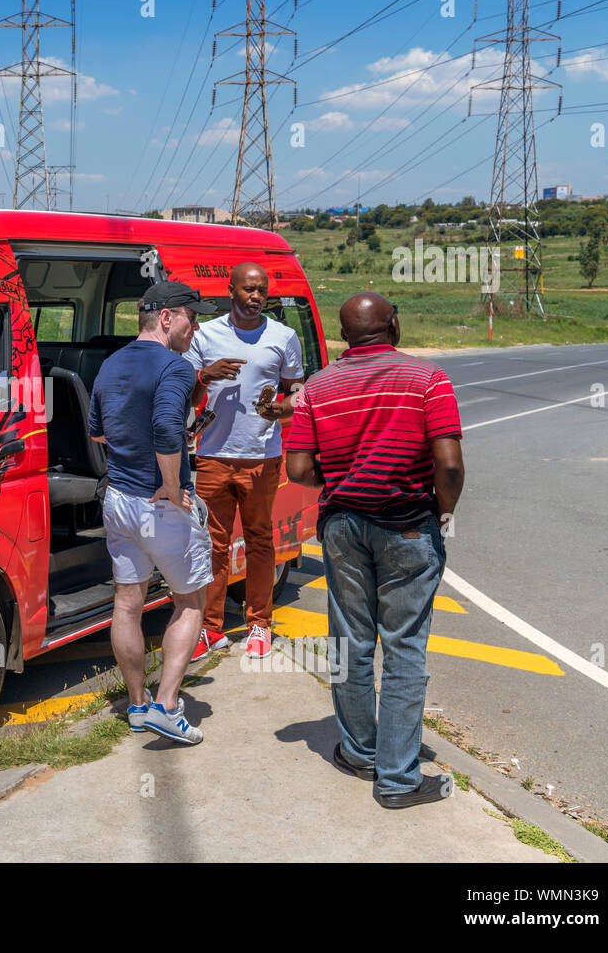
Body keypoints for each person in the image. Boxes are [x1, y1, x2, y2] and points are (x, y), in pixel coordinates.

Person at [285, 292, 465, 809]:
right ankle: (397, 779)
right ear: (394, 325)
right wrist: (442, 510)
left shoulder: (317, 388)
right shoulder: (427, 380)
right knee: (405, 647)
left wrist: (345, 479)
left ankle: (362, 752)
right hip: (408, 526)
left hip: (342, 525)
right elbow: (449, 466)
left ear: (345, 334)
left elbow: (298, 470)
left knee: (351, 642)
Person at [90, 280, 217, 744]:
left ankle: (138, 705)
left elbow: (99, 433)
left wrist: (136, 457)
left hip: (118, 499)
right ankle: (166, 707)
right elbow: (167, 428)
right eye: (192, 317)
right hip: (159, 504)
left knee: (128, 603)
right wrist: (169, 484)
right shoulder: (176, 367)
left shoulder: (110, 363)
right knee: (190, 600)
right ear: (167, 318)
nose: (195, 327)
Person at [186, 262, 304, 661]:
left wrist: (280, 410)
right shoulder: (207, 334)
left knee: (258, 540)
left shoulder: (283, 337)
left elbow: (297, 395)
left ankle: (260, 624)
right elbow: (183, 393)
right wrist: (205, 376)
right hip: (213, 456)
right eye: (248, 289)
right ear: (231, 290)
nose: (256, 297)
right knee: (212, 545)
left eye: (261, 291)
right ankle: (210, 629)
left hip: (262, 457)